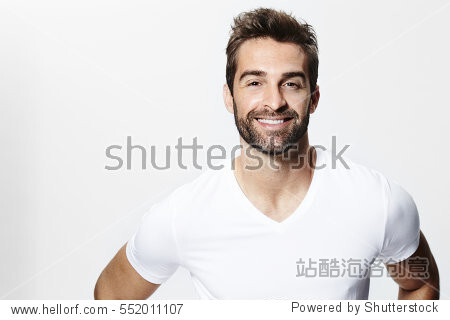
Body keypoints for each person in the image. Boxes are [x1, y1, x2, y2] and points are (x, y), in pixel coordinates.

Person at [94, 7, 439, 299]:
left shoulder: (377, 202)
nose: (274, 102)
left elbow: (420, 283)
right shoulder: (182, 216)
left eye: (291, 83)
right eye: (254, 82)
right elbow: (109, 298)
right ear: (230, 96)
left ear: (313, 98)